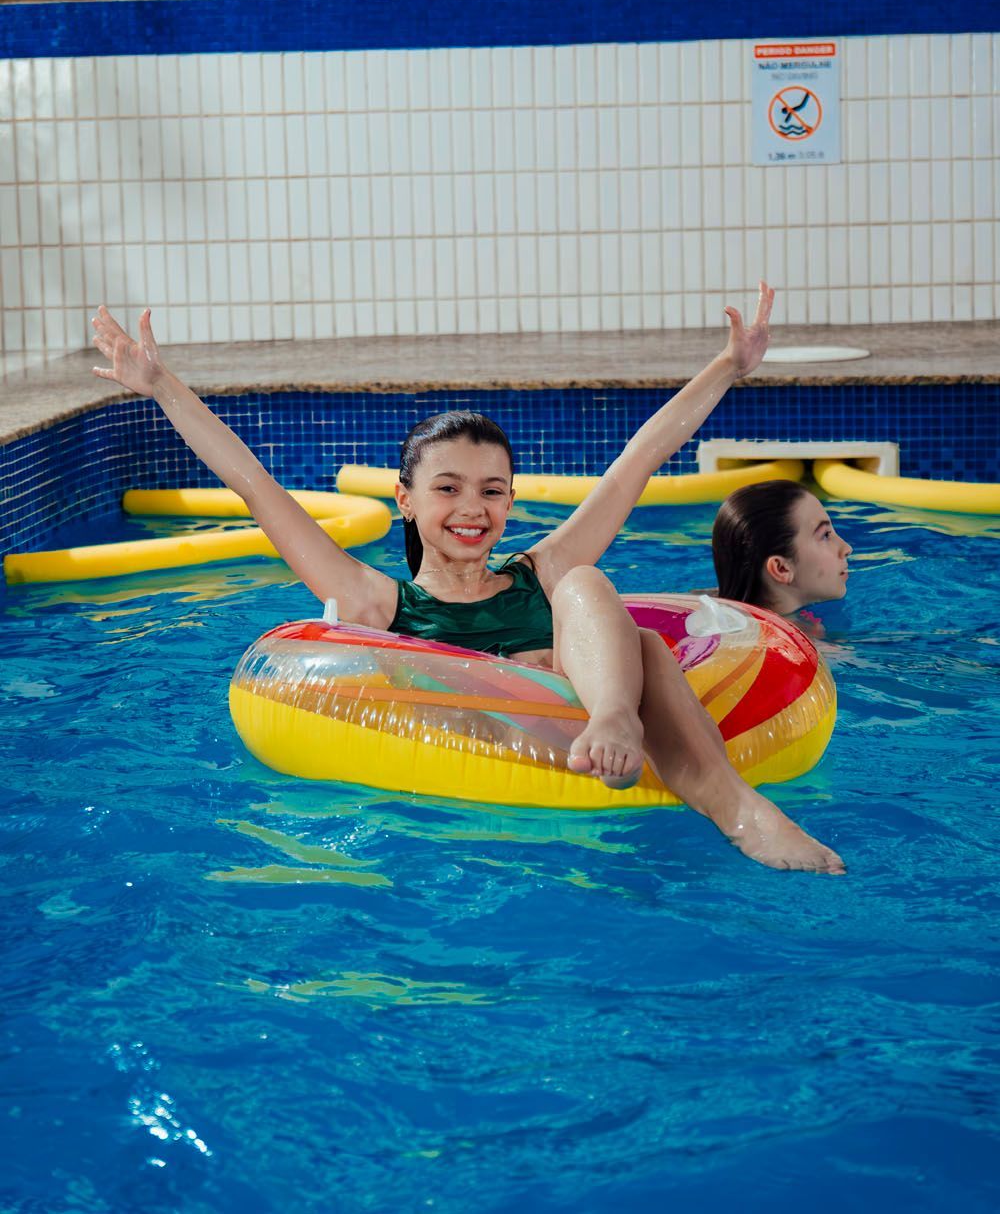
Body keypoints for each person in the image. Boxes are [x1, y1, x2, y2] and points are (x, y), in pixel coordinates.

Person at [91, 286, 844, 874]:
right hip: (468, 814)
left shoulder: (539, 577)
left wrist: (729, 367)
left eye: (492, 489)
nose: (471, 509)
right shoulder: (376, 601)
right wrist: (161, 386)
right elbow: (255, 486)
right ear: (406, 501)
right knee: (636, 640)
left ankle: (627, 725)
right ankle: (719, 795)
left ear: (512, 501)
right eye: (447, 488)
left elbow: (637, 463)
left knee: (589, 588)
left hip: (598, 753)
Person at [712, 479, 852, 616]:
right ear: (781, 569)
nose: (847, 548)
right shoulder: (807, 638)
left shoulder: (707, 605)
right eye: (825, 535)